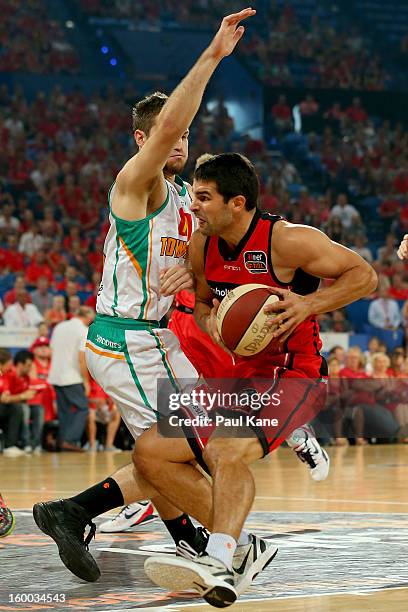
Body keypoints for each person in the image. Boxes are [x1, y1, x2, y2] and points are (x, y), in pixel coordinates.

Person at [33, 9, 273, 594]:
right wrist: (213, 57)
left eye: (189, 135)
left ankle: (79, 513)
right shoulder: (135, 186)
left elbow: (211, 269)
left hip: (159, 342)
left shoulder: (190, 204)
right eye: (173, 132)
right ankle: (224, 544)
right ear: (145, 138)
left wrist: (196, 284)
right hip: (130, 341)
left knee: (166, 453)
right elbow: (166, 129)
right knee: (194, 444)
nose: (182, 141)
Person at [132, 152, 377, 607]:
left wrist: (308, 305)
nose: (194, 206)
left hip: (295, 373)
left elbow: (364, 275)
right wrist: (216, 324)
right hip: (242, 375)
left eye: (204, 198)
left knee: (225, 449)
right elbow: (204, 304)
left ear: (237, 202)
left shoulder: (287, 240)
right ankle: (245, 548)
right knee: (150, 453)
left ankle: (220, 557)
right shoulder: (202, 245)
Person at [48, 307, 95, 451]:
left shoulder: (60, 326)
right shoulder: (83, 330)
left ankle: (62, 440)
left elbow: (52, 350)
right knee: (82, 408)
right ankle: (70, 440)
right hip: (72, 376)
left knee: (64, 411)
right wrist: (86, 381)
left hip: (56, 374)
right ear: (86, 316)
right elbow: (81, 359)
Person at [0, 348, 27, 457]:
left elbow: (6, 396)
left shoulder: (6, 374)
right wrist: (21, 396)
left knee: (16, 407)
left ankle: (10, 446)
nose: (11, 367)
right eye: (8, 365)